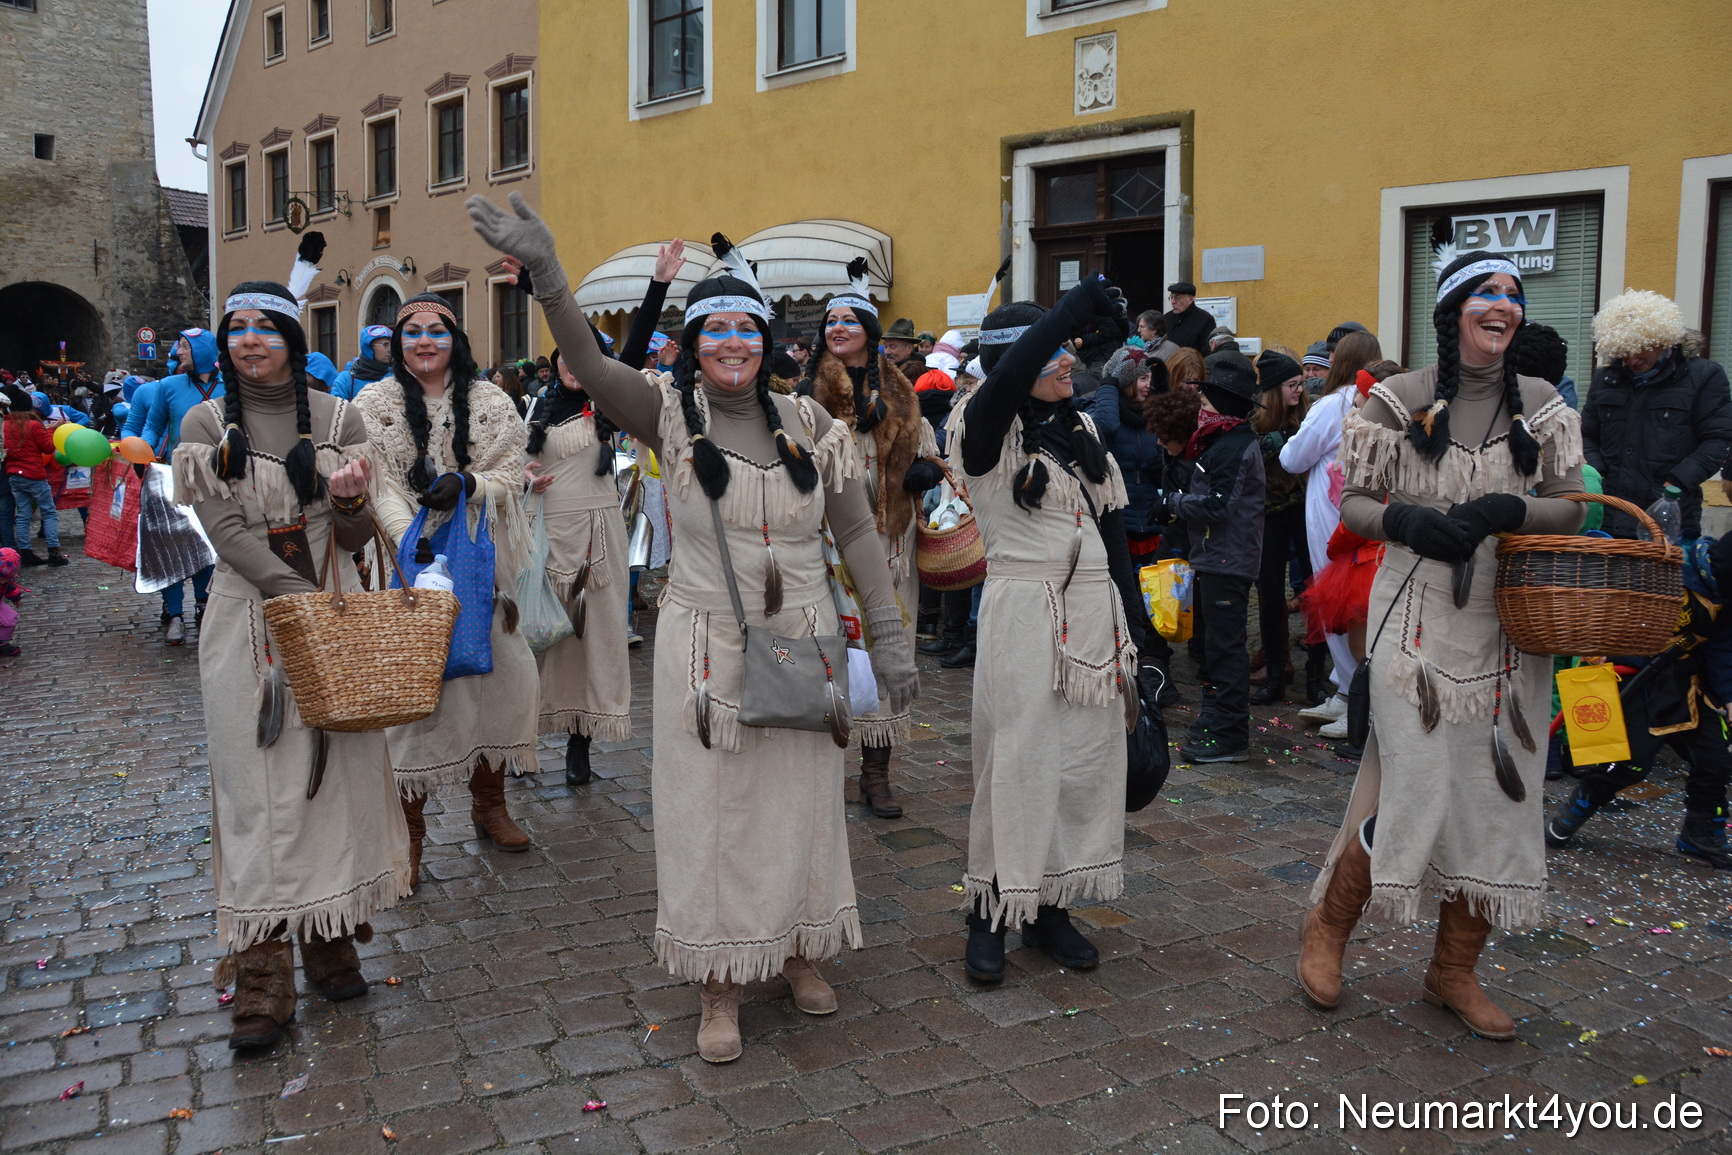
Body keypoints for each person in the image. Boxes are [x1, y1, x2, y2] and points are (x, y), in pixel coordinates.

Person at [468, 193, 917, 1064]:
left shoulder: (810, 423)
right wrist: (549, 272)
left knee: (802, 805)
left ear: (767, 339)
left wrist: (889, 636)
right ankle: (719, 977)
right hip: (708, 648)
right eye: (715, 330)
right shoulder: (666, 412)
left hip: (806, 642)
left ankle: (798, 945)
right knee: (713, 814)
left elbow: (858, 530)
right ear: (692, 342)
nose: (732, 344)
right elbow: (590, 363)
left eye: (746, 329)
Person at [1297, 250, 1584, 1041]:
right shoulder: (1398, 398)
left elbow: (1571, 506)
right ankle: (1329, 925)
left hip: (1507, 619)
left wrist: (1507, 509)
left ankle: (1452, 969)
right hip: (1415, 609)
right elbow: (1355, 502)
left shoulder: (1543, 402)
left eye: (1514, 295)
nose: (1504, 305)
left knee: (1496, 796)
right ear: (1453, 309)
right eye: (1487, 292)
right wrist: (1410, 521)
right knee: (1415, 782)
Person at [170, 280, 412, 1050]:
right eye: (236, 327)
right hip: (248, 624)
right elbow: (226, 533)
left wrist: (348, 504)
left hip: (331, 610)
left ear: (292, 337)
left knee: (334, 782)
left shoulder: (341, 420)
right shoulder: (205, 423)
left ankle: (330, 933)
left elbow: (354, 538)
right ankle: (262, 970)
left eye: (266, 326)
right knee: (256, 794)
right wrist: (298, 599)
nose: (250, 338)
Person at [950, 278, 1141, 986]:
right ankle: (990, 911)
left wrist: (1136, 631)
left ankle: (1049, 906)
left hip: (1092, 616)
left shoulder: (1083, 429)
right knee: (1017, 764)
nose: (1069, 359)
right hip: (1024, 615)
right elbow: (1005, 382)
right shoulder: (982, 427)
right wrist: (1064, 313)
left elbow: (1113, 534)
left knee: (1079, 766)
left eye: (1070, 347)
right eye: (1053, 350)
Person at [353, 293, 540, 886]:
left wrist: (469, 484)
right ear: (397, 343)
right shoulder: (372, 404)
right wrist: (414, 546)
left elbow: (511, 473)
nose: (425, 341)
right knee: (414, 698)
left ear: (454, 339)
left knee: (500, 679)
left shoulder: (491, 402)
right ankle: (409, 833)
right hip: (405, 564)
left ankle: (490, 803)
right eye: (412, 332)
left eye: (437, 330)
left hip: (480, 559)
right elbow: (377, 484)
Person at [806, 259, 943, 819]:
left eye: (848, 319)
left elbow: (929, 450)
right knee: (829, 654)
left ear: (869, 330)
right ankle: (816, 772)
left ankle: (876, 773)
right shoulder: (807, 396)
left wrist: (923, 470)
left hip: (890, 546)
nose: (837, 327)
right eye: (830, 321)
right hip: (825, 548)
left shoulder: (902, 392)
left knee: (890, 651)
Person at [523, 328, 642, 789]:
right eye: (566, 356)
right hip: (544, 535)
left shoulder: (611, 403)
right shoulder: (535, 407)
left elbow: (633, 354)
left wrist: (657, 291)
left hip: (598, 541)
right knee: (536, 640)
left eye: (584, 355)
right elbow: (513, 464)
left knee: (594, 640)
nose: (574, 364)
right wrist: (525, 475)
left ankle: (580, 743)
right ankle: (522, 740)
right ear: (555, 363)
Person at [1154, 356, 1266, 762]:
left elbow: (1220, 505)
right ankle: (1217, 716)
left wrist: (1173, 502)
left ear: (1223, 404)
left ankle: (1231, 735)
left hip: (1227, 560)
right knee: (1213, 647)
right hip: (1214, 557)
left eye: (1205, 400)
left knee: (1225, 648)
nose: (1199, 407)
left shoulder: (1234, 445)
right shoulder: (1220, 442)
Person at [1279, 329, 1382, 713]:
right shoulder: (1380, 398)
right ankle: (1345, 689)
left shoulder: (1334, 404)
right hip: (1366, 509)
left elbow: (1292, 458)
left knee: (1337, 598)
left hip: (1331, 510)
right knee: (1359, 601)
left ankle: (1354, 694)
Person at [1582, 289, 1732, 542]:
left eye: (1642, 348)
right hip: (1609, 515)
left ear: (1663, 338)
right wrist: (1599, 474)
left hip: (1669, 514)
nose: (1633, 359)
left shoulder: (1704, 376)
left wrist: (1677, 482)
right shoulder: (1606, 379)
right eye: (1624, 351)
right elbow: (1587, 434)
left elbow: (1719, 439)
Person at [140, 327, 225, 643]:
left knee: (206, 545)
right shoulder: (168, 386)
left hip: (217, 478)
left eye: (185, 346)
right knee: (168, 546)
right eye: (179, 346)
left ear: (202, 350)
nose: (178, 352)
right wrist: (142, 450)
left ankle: (203, 604)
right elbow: (153, 426)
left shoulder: (230, 385)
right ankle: (174, 613)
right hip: (171, 475)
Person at [1249, 351, 1311, 705]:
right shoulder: (1254, 423)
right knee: (1270, 597)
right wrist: (1278, 440)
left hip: (1303, 513)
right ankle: (1275, 676)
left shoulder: (1308, 416)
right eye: (1292, 385)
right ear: (1274, 389)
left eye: (1301, 384)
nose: (1299, 391)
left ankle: (1315, 679)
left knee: (1314, 592)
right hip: (1269, 517)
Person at [4, 399, 64, 567]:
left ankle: (26, 553)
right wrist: (51, 431)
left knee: (23, 514)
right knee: (49, 512)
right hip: (34, 474)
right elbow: (48, 448)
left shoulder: (4, 426)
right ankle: (54, 552)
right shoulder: (33, 425)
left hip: (14, 474)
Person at [332, 325, 394, 400]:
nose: (389, 350)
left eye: (391, 345)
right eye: (385, 344)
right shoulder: (345, 380)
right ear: (368, 348)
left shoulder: (396, 376)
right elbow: (337, 406)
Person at [1162, 281, 1216, 355]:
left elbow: (1207, 350)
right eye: (1171, 297)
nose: (1173, 302)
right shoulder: (1166, 319)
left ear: (1190, 299)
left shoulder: (1205, 320)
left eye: (1177, 298)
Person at [881, 317, 926, 382]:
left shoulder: (913, 374)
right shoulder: (884, 370)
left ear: (909, 349)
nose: (887, 352)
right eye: (885, 346)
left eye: (892, 347)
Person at [0, 546, 21, 656]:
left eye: (6, 579)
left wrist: (15, 597)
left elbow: (9, 587)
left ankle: (2, 643)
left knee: (9, 618)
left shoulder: (6, 580)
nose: (3, 581)